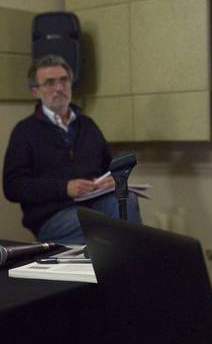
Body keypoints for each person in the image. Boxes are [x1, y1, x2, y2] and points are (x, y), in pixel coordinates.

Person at [3, 54, 141, 245]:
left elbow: (108, 166)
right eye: (50, 83)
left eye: (64, 80)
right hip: (53, 214)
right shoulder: (25, 131)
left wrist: (111, 179)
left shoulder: (87, 125)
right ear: (36, 91)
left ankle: (133, 266)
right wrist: (64, 188)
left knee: (126, 201)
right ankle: (123, 264)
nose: (59, 88)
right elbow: (13, 186)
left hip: (94, 203)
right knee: (100, 226)